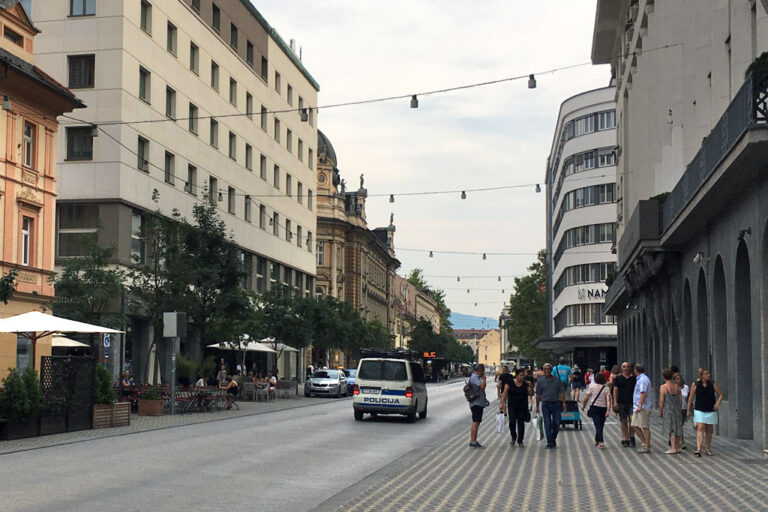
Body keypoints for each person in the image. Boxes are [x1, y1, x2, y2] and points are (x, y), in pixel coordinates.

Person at [687, 368, 723, 457]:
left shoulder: (712, 383)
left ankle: (707, 448)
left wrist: (717, 403)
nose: (709, 375)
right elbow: (691, 397)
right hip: (699, 409)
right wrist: (688, 409)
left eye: (709, 373)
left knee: (709, 429)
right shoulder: (695, 384)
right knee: (701, 427)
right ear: (701, 375)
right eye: (706, 374)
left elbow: (721, 395)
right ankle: (698, 449)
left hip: (711, 409)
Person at [535, 363, 566, 448]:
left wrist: (563, 403)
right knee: (547, 423)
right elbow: (538, 394)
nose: (547, 371)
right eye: (545, 369)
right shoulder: (540, 381)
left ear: (551, 370)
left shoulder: (557, 380)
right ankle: (550, 442)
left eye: (548, 369)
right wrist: (537, 406)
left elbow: (561, 392)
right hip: (545, 404)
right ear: (543, 370)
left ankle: (553, 437)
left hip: (556, 403)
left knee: (557, 422)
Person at [501, 368, 534, 447]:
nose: (522, 377)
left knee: (521, 423)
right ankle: (513, 436)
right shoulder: (510, 382)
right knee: (512, 422)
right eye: (520, 375)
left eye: (523, 375)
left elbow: (531, 394)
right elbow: (504, 393)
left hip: (522, 407)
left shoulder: (526, 384)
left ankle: (520, 440)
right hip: (512, 406)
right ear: (516, 375)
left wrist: (530, 386)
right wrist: (502, 403)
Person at [582, 372, 611, 449]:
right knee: (600, 425)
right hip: (603, 409)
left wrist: (583, 406)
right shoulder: (606, 388)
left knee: (597, 425)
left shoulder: (591, 387)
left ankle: (600, 441)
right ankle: (598, 440)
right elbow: (608, 400)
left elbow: (586, 398)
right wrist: (608, 410)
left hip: (595, 408)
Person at [612, 362, 637, 448]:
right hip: (621, 402)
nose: (626, 368)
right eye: (624, 367)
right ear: (621, 368)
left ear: (630, 368)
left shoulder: (634, 378)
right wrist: (615, 402)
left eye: (628, 367)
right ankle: (626, 438)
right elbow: (615, 390)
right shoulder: (618, 378)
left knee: (632, 420)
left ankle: (632, 436)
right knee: (623, 421)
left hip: (632, 402)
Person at [659, 368, 683, 454]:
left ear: (664, 377)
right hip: (676, 409)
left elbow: (661, 400)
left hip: (668, 409)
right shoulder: (676, 386)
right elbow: (680, 398)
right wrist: (679, 407)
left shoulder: (663, 387)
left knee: (671, 429)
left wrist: (660, 410)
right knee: (677, 427)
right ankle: (677, 447)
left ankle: (672, 448)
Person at [631, 364, 653, 453]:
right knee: (634, 425)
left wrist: (640, 405)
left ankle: (647, 445)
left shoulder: (643, 380)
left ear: (636, 370)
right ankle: (644, 443)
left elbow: (643, 393)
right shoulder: (639, 379)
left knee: (644, 426)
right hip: (636, 406)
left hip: (643, 407)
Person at [468, 363, 489, 448]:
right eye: (482, 371)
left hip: (478, 402)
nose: (483, 373)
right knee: (476, 421)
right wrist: (484, 380)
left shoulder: (474, 378)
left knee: (477, 421)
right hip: (476, 403)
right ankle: (473, 441)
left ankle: (474, 440)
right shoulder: (475, 378)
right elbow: (482, 387)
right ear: (479, 371)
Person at [674, 373, 689, 449]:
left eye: (679, 378)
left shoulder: (686, 387)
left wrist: (690, 408)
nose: (678, 380)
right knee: (679, 426)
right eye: (676, 379)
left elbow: (688, 398)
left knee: (680, 425)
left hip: (684, 408)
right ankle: (682, 442)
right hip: (676, 409)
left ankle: (676, 439)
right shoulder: (673, 388)